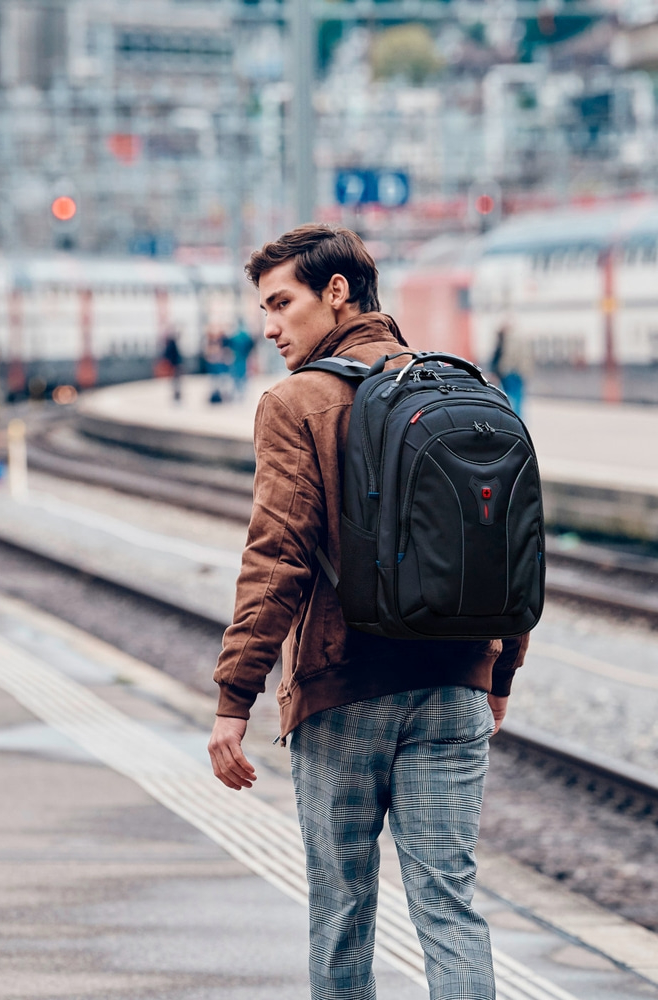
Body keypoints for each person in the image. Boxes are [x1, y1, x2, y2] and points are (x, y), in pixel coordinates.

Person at [207, 224, 527, 1000]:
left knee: (344, 909)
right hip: (455, 686)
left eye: (282, 304)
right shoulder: (468, 388)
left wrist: (233, 699)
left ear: (338, 292)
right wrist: (501, 670)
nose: (271, 326)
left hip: (342, 689)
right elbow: (509, 544)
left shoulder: (297, 402)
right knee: (449, 906)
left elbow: (276, 555)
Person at [489, 325, 531, 417]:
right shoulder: (520, 340)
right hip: (517, 372)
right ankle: (519, 422)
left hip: (508, 372)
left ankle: (513, 419)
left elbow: (499, 358)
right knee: (517, 399)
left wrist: (497, 372)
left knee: (510, 398)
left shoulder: (505, 340)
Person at [225, 320, 254, 402]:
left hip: (237, 358)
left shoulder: (234, 336)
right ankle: (242, 393)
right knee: (243, 376)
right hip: (243, 358)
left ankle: (238, 393)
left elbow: (229, 345)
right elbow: (251, 345)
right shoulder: (245, 335)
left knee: (236, 376)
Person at [161, 331, 183, 402]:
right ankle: (177, 396)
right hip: (174, 366)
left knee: (176, 382)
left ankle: (177, 395)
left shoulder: (171, 345)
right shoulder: (172, 345)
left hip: (174, 366)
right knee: (176, 382)